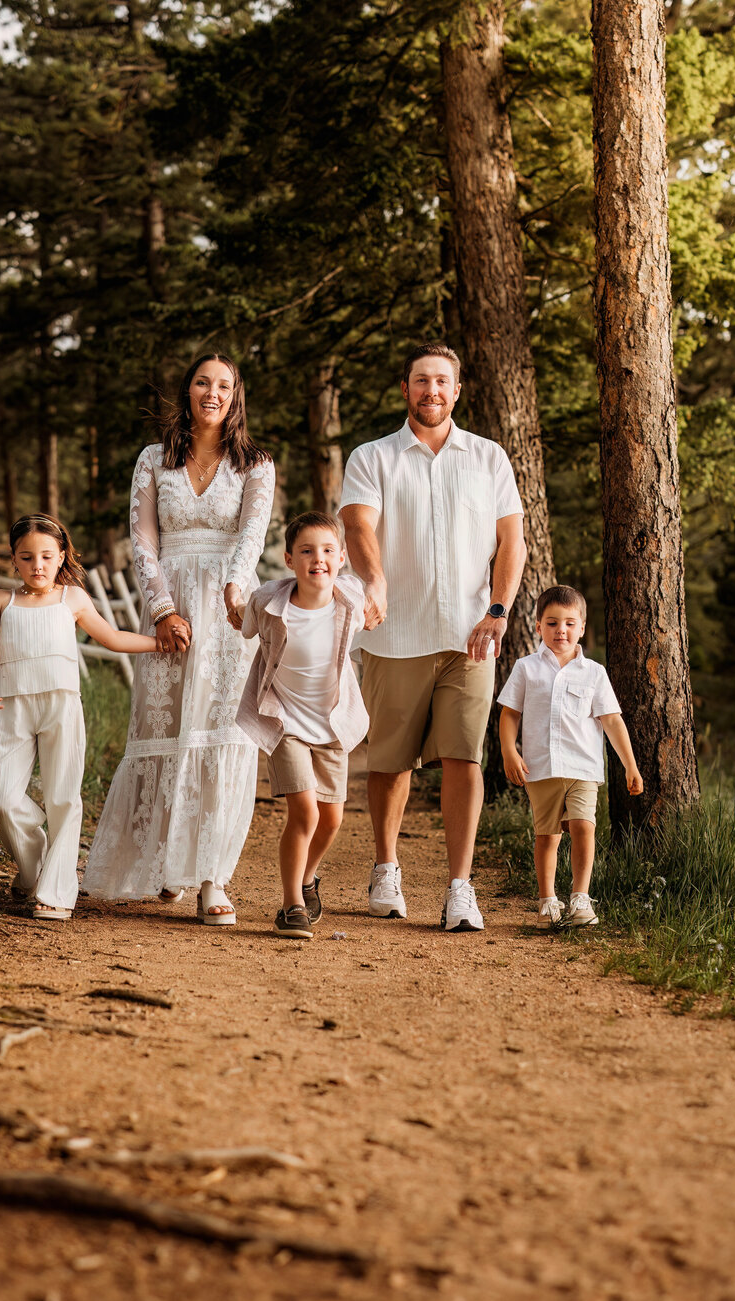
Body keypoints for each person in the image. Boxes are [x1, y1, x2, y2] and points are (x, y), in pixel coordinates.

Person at [82, 354, 275, 925]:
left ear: (236, 396)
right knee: (165, 729)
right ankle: (167, 865)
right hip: (169, 601)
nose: (211, 393)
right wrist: (162, 608)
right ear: (187, 391)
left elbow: (251, 536)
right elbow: (142, 538)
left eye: (224, 385)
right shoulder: (153, 460)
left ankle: (213, 878)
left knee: (221, 735)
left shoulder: (256, 463)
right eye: (201, 382)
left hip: (228, 610)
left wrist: (236, 595)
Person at [340, 342, 526, 933]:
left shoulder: (490, 458)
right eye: (421, 381)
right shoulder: (372, 457)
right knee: (390, 762)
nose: (432, 392)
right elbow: (357, 525)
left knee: (463, 758)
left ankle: (460, 888)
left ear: (457, 389)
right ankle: (386, 868)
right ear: (406, 389)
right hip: (394, 633)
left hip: (470, 635)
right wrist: (373, 580)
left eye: (442, 381)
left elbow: (511, 541)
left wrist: (499, 609)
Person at [0, 513, 157, 923]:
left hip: (61, 705)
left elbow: (112, 637)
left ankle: (55, 892)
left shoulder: (72, 598)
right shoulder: (3, 600)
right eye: (27, 556)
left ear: (61, 556)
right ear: (13, 560)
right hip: (8, 705)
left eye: (46, 556)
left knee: (63, 798)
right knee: (3, 795)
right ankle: (35, 868)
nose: (37, 565)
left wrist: (160, 643)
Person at [229, 511, 368, 940]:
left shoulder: (351, 601)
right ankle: (291, 905)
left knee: (331, 820)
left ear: (341, 558)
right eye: (306, 551)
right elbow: (244, 622)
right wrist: (234, 596)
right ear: (290, 560)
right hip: (283, 720)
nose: (318, 559)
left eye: (327, 551)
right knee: (304, 812)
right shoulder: (269, 602)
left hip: (331, 724)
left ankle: (307, 879)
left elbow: (373, 599)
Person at [497, 583, 643, 928]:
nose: (560, 630)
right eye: (551, 623)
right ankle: (547, 901)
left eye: (568, 623)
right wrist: (509, 751)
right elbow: (509, 714)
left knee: (583, 826)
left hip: (583, 768)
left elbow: (612, 720)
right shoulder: (526, 668)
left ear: (581, 626)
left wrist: (630, 765)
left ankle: (580, 899)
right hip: (540, 767)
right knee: (547, 836)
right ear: (537, 627)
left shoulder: (594, 673)